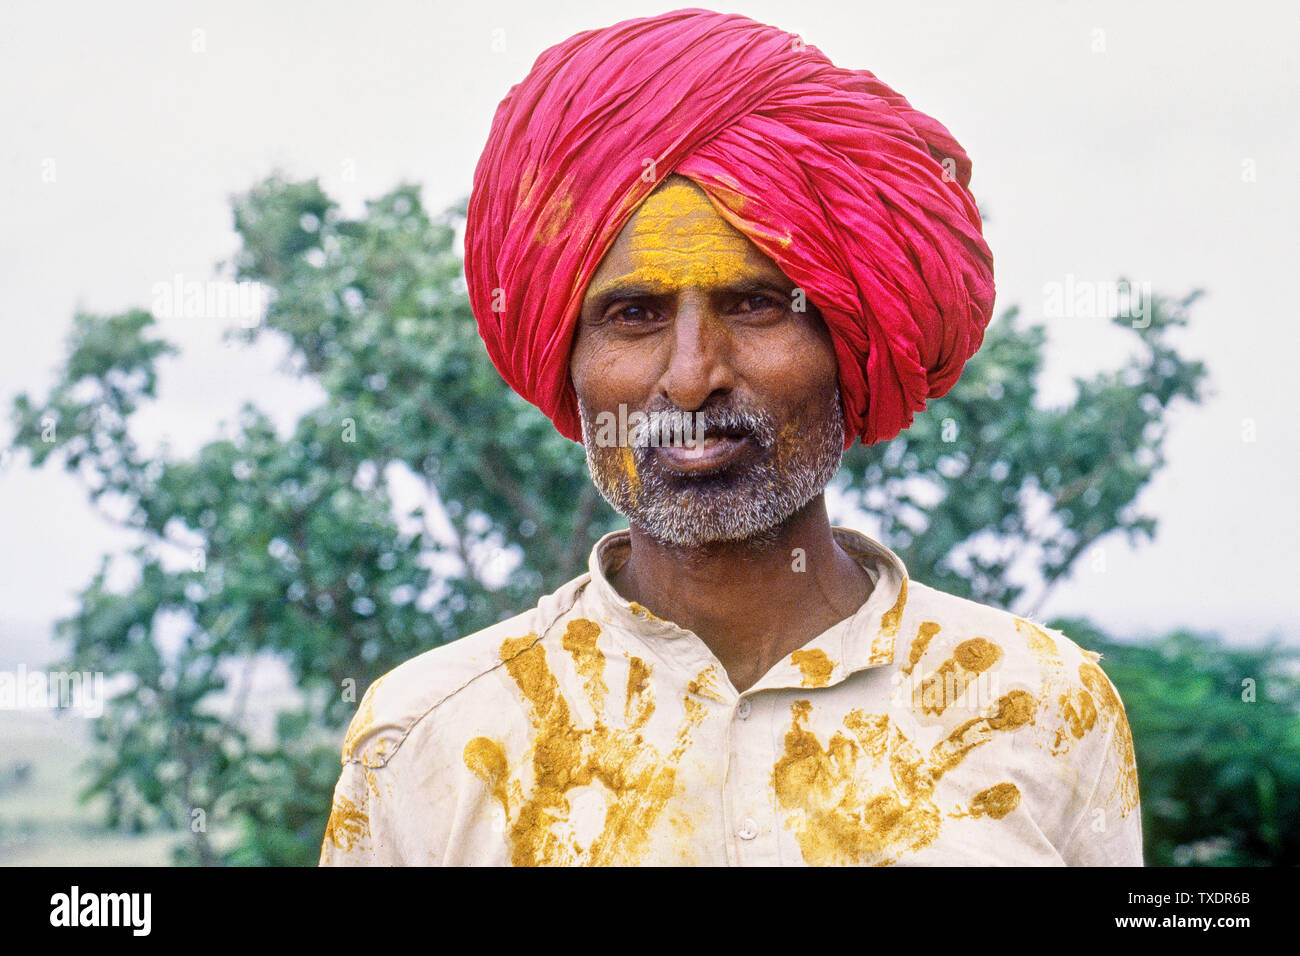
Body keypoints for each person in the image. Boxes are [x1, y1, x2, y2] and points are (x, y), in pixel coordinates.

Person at [319, 8, 1142, 866]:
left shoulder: (1039, 705)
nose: (692, 375)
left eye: (754, 305)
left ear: (848, 343)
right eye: (633, 315)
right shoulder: (426, 737)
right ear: (566, 359)